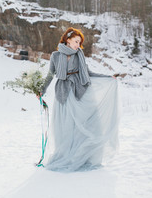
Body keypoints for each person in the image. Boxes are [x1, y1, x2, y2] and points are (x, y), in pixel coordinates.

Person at [37, 27, 120, 172]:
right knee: (66, 127)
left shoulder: (79, 55)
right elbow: (50, 75)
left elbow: (88, 73)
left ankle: (84, 157)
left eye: (79, 42)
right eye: (76, 41)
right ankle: (66, 155)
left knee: (85, 125)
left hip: (78, 91)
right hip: (63, 93)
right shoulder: (56, 56)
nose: (78, 45)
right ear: (68, 40)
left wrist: (108, 78)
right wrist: (41, 90)